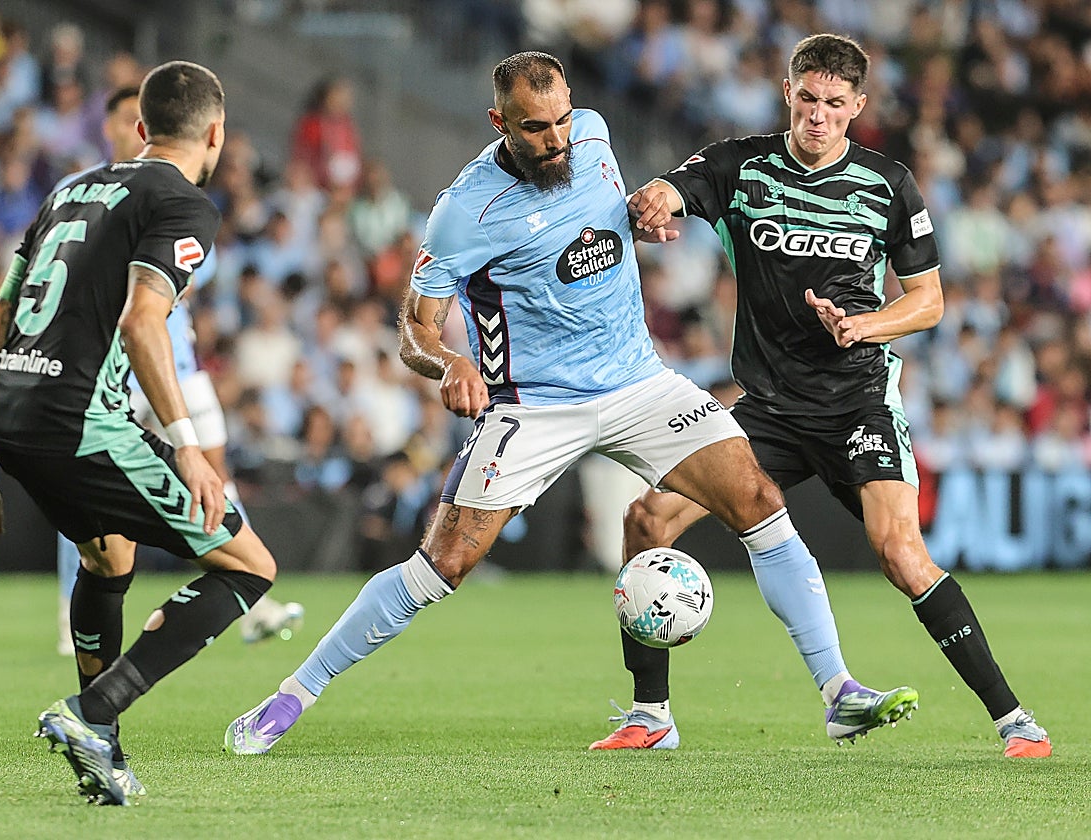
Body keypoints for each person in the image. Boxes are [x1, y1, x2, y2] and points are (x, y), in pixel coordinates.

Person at [224, 51, 915, 757]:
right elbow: (414, 329)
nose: (555, 139)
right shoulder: (466, 210)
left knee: (758, 498)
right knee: (443, 566)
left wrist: (642, 220)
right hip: (537, 405)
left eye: (560, 120)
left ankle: (837, 693)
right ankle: (292, 695)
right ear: (500, 123)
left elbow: (599, 227)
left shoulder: (593, 134)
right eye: (534, 128)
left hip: (637, 381)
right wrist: (452, 361)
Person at [605, 33, 1051, 759]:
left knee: (901, 554)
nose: (818, 116)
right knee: (646, 518)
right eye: (807, 99)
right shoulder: (741, 166)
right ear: (789, 92)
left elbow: (929, 300)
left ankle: (1014, 720)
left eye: (835, 105)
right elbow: (672, 190)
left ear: (858, 107)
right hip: (768, 409)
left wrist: (868, 324)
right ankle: (650, 714)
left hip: (857, 402)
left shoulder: (887, 183)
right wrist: (652, 202)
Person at [0, 60, 281, 806]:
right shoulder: (184, 202)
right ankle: (94, 714)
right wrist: (188, 443)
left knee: (106, 558)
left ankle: (103, 748)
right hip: (79, 422)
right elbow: (140, 319)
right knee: (251, 566)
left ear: (139, 128)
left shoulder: (68, 191)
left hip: (9, 418)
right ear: (216, 133)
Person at [51, 86, 302, 656]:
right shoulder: (99, 189)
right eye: (119, 118)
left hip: (177, 361)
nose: (126, 127)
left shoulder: (177, 193)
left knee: (213, 473)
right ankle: (80, 608)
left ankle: (252, 599)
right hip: (123, 363)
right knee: (93, 491)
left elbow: (187, 279)